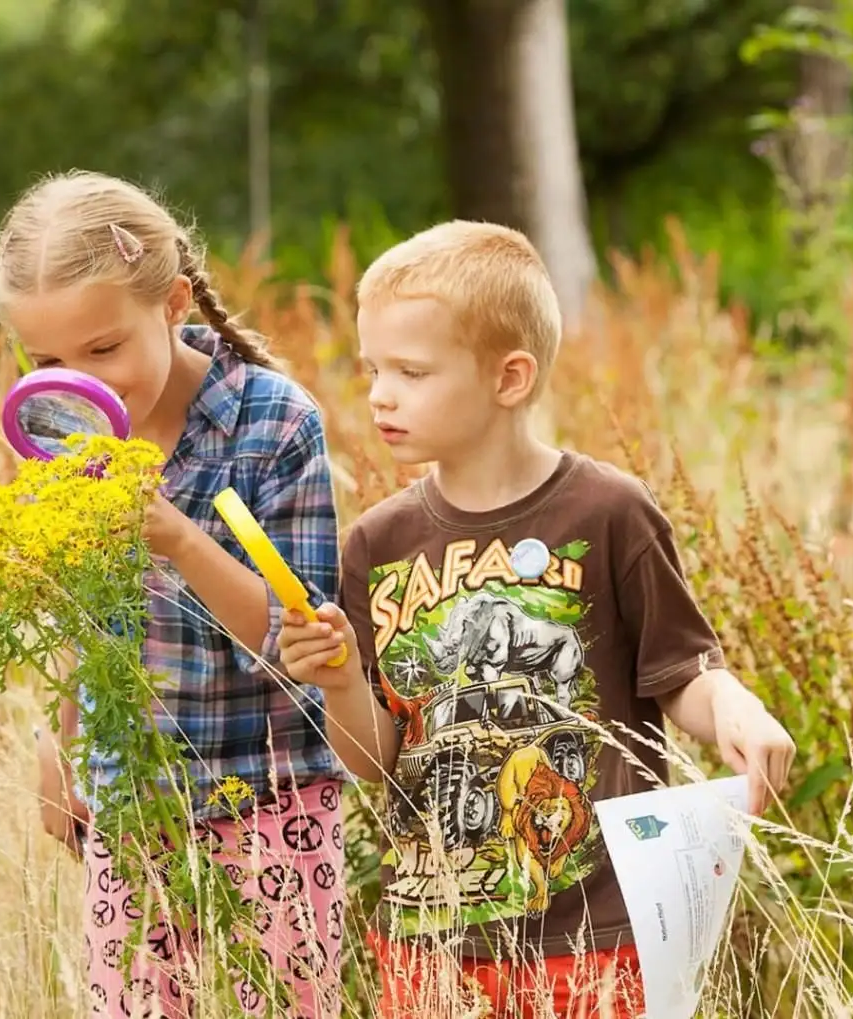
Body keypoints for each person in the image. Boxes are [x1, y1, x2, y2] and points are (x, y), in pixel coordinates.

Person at [275, 221, 796, 1018]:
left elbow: (681, 672)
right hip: (433, 940)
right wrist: (341, 678)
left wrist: (734, 703)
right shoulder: (377, 543)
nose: (379, 393)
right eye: (373, 367)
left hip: (599, 931)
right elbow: (374, 761)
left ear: (509, 377)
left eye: (411, 371)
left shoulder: (608, 511)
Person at [0, 169, 349, 1019]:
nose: (83, 383)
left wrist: (180, 540)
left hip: (270, 793)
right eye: (46, 361)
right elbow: (79, 599)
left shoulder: (274, 423)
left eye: (104, 349)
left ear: (174, 303)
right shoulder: (55, 430)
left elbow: (297, 643)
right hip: (132, 805)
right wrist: (60, 736)